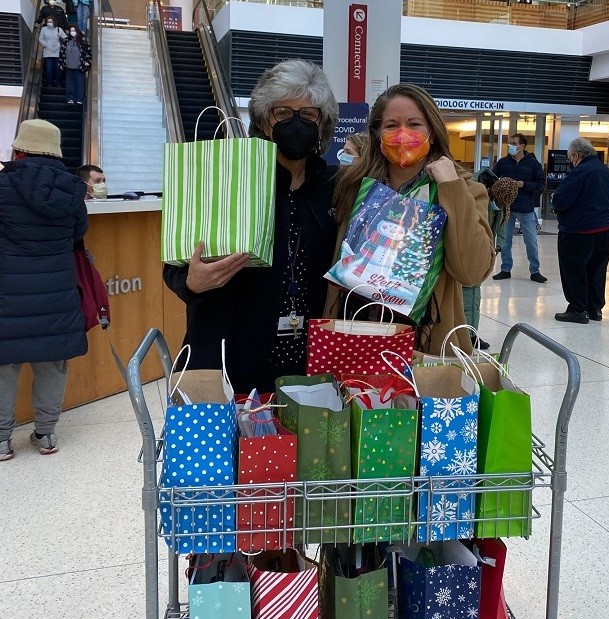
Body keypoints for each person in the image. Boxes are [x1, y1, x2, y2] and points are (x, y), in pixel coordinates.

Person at [163, 59, 339, 394]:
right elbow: (175, 263)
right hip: (230, 363)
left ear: (322, 123)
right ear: (263, 119)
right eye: (283, 112)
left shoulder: (336, 188)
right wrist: (191, 282)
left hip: (313, 367)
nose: (296, 122)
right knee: (235, 447)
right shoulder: (227, 179)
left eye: (309, 114)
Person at [328, 83, 495, 355]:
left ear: (432, 131)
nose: (403, 134)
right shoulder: (354, 187)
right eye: (391, 125)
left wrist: (450, 188)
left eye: (415, 124)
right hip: (354, 334)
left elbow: (471, 271)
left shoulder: (465, 190)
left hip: (425, 343)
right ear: (377, 134)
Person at [0, 119, 88, 461]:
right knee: (52, 363)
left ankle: (2, 440)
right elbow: (78, 233)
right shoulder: (71, 191)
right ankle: (46, 432)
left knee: (4, 366)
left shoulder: (3, 187)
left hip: (7, 293)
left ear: (19, 150)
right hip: (56, 290)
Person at [550, 137, 609, 324]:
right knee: (597, 269)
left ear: (577, 156)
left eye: (571, 159)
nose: (571, 162)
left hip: (578, 231)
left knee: (574, 270)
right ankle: (594, 309)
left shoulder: (580, 171)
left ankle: (577, 309)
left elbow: (562, 199)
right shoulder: (604, 170)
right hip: (604, 229)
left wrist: (556, 200)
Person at [491, 133, 547, 283]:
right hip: (507, 208)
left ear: (522, 146)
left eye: (514, 143)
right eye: (510, 143)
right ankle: (505, 269)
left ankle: (535, 271)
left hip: (526, 208)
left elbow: (541, 183)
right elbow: (492, 178)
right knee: (505, 241)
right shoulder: (503, 163)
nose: (511, 146)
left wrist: (524, 185)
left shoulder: (533, 164)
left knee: (531, 240)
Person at [59, 24, 91, 105]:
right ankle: (70, 98)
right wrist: (61, 63)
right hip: (68, 65)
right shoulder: (66, 40)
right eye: (71, 31)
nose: (72, 32)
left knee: (80, 83)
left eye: (74, 30)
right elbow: (62, 52)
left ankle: (79, 98)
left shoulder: (82, 41)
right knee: (70, 83)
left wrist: (87, 61)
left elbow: (88, 51)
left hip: (79, 65)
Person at [39, 16, 66, 88]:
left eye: (50, 22)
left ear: (54, 22)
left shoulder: (58, 29)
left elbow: (66, 39)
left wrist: (60, 37)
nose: (49, 23)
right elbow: (40, 39)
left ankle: (59, 83)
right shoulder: (44, 29)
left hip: (57, 52)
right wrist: (46, 45)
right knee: (49, 69)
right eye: (48, 22)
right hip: (47, 52)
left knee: (58, 69)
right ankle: (49, 83)